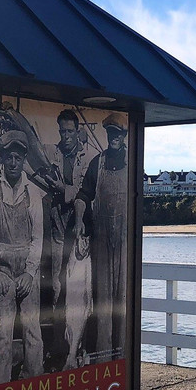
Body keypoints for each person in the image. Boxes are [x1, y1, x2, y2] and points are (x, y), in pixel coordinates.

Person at [0, 129, 45, 382]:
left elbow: (38, 238)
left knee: (33, 329)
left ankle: (34, 382)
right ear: (2, 159)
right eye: (8, 157)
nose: (13, 163)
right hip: (3, 270)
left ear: (23, 160)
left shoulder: (33, 192)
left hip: (27, 270)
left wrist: (30, 273)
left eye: (17, 158)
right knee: (3, 330)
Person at [77, 113, 128, 359]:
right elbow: (83, 196)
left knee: (123, 301)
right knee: (102, 300)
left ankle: (123, 357)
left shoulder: (133, 164)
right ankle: (102, 359)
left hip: (125, 244)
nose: (113, 137)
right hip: (102, 241)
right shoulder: (97, 163)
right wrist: (79, 220)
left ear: (124, 136)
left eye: (117, 133)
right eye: (110, 133)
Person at [46, 109, 94, 369]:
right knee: (57, 288)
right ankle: (60, 350)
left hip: (79, 233)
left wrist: (63, 189)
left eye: (70, 131)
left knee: (81, 294)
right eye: (62, 131)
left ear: (78, 132)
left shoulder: (88, 159)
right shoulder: (53, 154)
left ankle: (78, 350)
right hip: (57, 229)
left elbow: (87, 192)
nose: (65, 136)